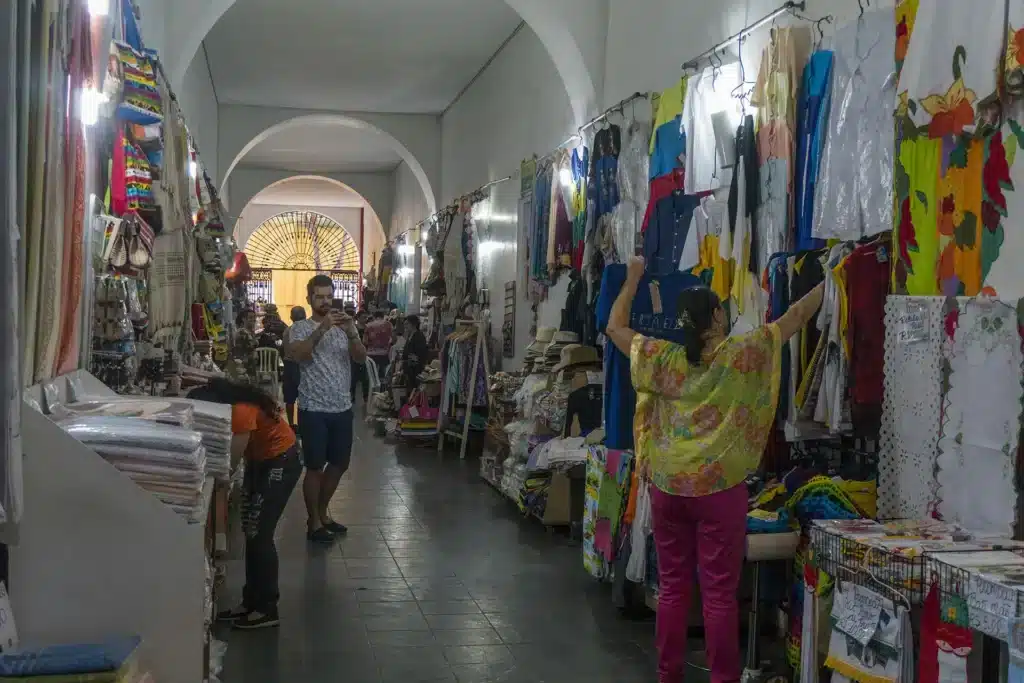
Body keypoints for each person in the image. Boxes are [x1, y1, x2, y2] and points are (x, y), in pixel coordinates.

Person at [606, 256, 824, 683]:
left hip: (668, 487)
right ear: (719, 317)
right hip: (720, 489)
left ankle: (669, 675)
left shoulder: (661, 358)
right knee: (719, 594)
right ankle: (723, 677)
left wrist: (632, 278)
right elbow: (796, 316)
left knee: (672, 587)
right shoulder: (742, 355)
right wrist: (831, 279)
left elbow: (615, 327)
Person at [195, 379, 301, 630]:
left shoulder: (240, 411)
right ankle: (251, 601)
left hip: (279, 462)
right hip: (262, 461)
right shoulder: (238, 404)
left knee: (260, 533)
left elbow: (231, 461)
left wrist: (211, 476)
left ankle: (266, 608)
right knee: (252, 531)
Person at [285, 275, 367, 545]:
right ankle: (314, 522)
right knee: (315, 466)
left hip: (342, 407)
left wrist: (352, 331)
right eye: (319, 296)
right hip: (313, 408)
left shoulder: (344, 328)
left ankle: (321, 514)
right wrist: (322, 329)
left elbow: (360, 357)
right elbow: (299, 355)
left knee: (340, 464)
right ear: (309, 298)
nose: (325, 302)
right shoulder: (299, 328)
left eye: (329, 296)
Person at [282, 306, 306, 426]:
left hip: (288, 366)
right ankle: (303, 425)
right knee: (303, 398)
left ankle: (291, 424)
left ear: (291, 318)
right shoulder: (307, 331)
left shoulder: (287, 331)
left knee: (289, 399)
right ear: (305, 316)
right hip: (301, 366)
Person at [363, 310, 393, 379]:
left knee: (372, 375)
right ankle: (382, 388)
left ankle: (373, 388)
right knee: (383, 374)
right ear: (383, 316)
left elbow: (364, 341)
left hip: (371, 353)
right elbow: (394, 339)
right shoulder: (389, 324)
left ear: (374, 317)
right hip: (384, 353)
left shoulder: (368, 325)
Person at [401, 314, 428, 390]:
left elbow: (420, 354)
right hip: (409, 369)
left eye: (407, 324)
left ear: (414, 324)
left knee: (415, 390)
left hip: (415, 369)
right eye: (404, 324)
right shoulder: (410, 335)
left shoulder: (419, 336)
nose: (405, 326)